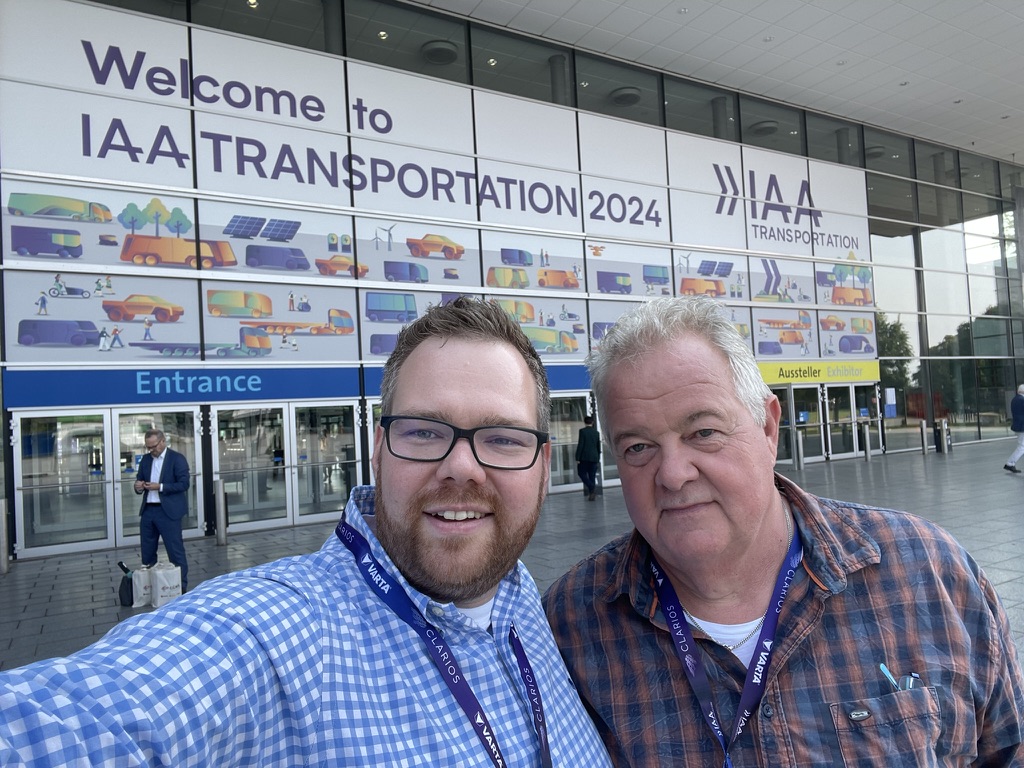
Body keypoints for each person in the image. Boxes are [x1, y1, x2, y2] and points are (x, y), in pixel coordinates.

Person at [0, 298, 612, 767]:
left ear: (539, 463)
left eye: (502, 438)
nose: (461, 467)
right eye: (424, 431)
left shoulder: (526, 601)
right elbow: (80, 719)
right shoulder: (278, 637)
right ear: (378, 450)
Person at [544, 296, 1023, 766]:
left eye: (704, 432)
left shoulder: (929, 572)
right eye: (638, 447)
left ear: (769, 430)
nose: (673, 473)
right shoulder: (568, 625)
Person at [134, 428, 191, 593]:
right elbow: (140, 481)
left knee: (175, 551)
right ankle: (150, 587)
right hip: (148, 511)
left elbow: (184, 484)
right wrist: (138, 486)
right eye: (148, 447)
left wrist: (160, 487)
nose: (151, 450)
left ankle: (181, 587)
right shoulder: (145, 459)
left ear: (163, 441)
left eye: (153, 446)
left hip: (169, 512)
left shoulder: (177, 459)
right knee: (147, 551)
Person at [575, 414, 601, 501]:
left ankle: (591, 487)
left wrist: (577, 457)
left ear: (584, 422)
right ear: (592, 423)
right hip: (594, 457)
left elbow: (581, 444)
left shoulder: (582, 431)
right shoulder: (596, 433)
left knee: (581, 473)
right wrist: (598, 457)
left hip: (584, 457)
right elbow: (598, 446)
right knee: (592, 475)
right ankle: (592, 493)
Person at [1003, 383, 1024, 473]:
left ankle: (1010, 463)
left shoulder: (1014, 399)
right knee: (1022, 447)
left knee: (1021, 446)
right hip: (1022, 426)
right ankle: (1010, 463)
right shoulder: (1022, 400)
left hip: (1017, 425)